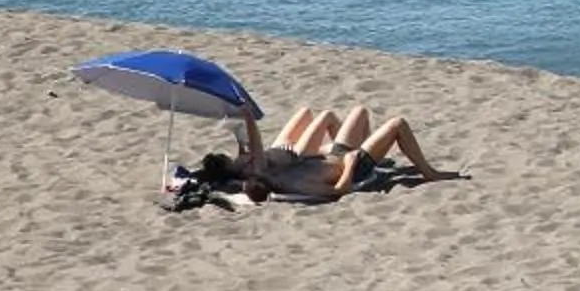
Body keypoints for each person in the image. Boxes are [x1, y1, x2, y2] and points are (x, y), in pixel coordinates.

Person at [194, 103, 454, 201]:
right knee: (397, 124)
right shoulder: (293, 182)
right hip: (354, 164)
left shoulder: (277, 173)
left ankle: (376, 154)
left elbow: (254, 153)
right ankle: (429, 173)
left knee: (360, 111)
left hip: (333, 154)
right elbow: (339, 191)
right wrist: (351, 166)